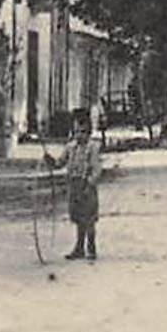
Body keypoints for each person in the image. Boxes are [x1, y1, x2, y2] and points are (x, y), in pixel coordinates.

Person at [43, 111, 103, 261]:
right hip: (74, 185)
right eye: (76, 131)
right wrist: (50, 160)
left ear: (89, 132)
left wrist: (90, 183)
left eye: (82, 132)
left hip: (87, 186)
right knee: (78, 218)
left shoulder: (93, 148)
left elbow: (97, 169)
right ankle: (79, 247)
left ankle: (91, 247)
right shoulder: (70, 147)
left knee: (89, 218)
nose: (79, 135)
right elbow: (60, 163)